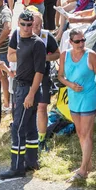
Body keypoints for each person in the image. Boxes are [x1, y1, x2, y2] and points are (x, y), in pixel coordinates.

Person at [0, 10, 46, 180]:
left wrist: (31, 94)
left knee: (18, 128)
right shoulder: (19, 39)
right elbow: (12, 56)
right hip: (20, 86)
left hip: (28, 89)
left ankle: (16, 167)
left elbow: (40, 72)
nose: (26, 27)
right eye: (23, 24)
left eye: (29, 24)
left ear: (34, 24)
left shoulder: (37, 43)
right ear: (19, 24)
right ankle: (31, 161)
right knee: (30, 128)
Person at [58, 28, 96, 181]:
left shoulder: (91, 56)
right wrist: (70, 85)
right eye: (77, 41)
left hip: (89, 97)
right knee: (80, 134)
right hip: (73, 98)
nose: (81, 43)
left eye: (83, 40)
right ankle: (88, 164)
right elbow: (60, 76)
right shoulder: (65, 55)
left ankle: (83, 170)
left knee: (86, 134)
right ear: (70, 42)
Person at [28, 9, 60, 151]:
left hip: (44, 76)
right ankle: (27, 136)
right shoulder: (21, 35)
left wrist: (44, 58)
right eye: (35, 25)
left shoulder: (47, 36)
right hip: (26, 77)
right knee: (27, 107)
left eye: (40, 25)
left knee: (42, 107)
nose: (37, 28)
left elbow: (57, 54)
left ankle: (41, 138)